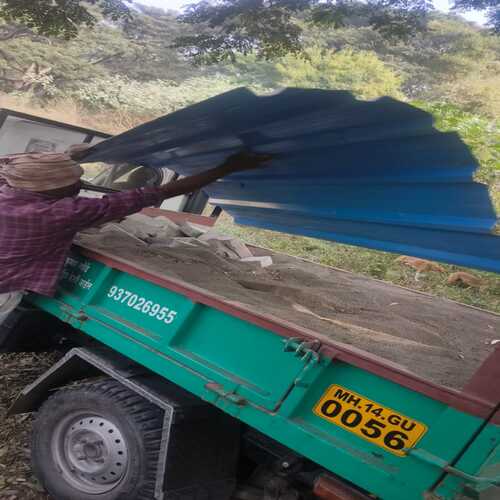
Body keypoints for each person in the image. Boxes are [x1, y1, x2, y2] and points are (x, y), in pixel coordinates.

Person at [0, 146, 269, 324]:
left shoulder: (7, 188)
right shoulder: (60, 213)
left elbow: (13, 164)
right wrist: (226, 168)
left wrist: (66, 157)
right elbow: (159, 193)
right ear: (47, 188)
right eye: (72, 183)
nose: (79, 185)